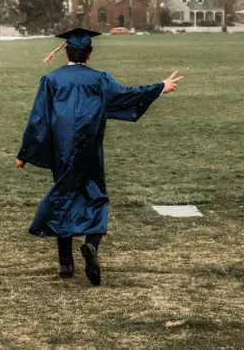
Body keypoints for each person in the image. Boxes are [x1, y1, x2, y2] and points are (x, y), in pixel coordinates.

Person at [16, 28, 183, 286]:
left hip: (63, 150)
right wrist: (160, 87)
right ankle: (91, 244)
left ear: (66, 54)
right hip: (90, 148)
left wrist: (25, 153)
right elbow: (128, 95)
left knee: (65, 195)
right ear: (90, 55)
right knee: (95, 196)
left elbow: (39, 118)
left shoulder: (51, 81)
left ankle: (66, 264)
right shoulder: (99, 80)